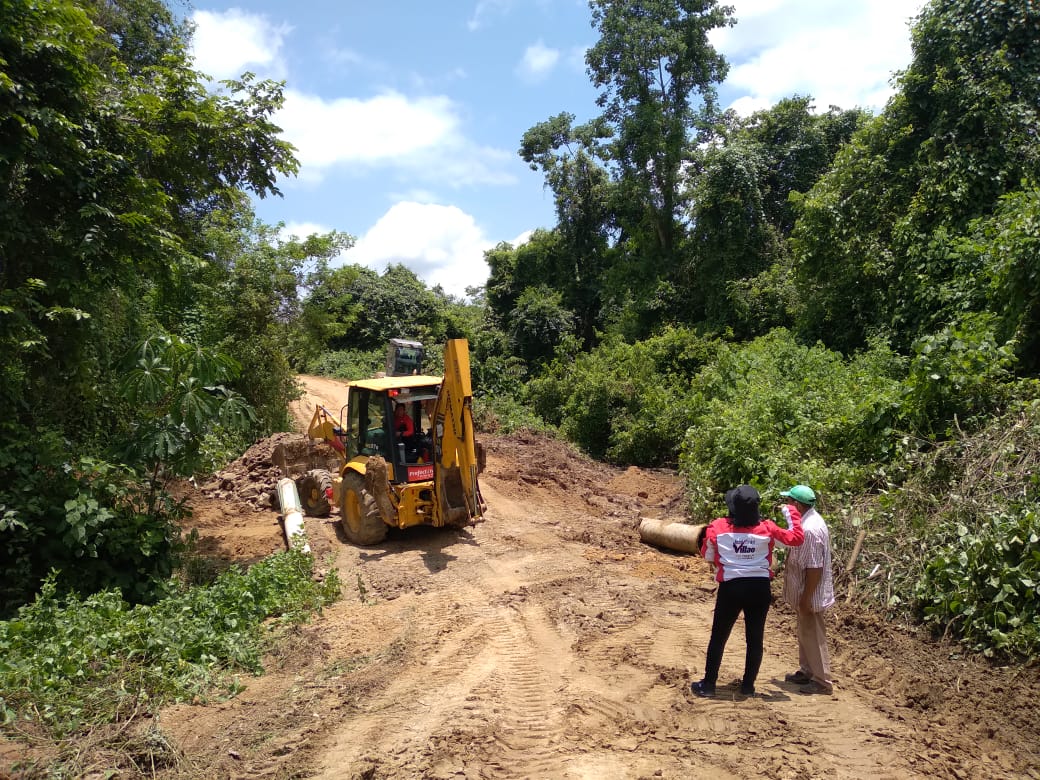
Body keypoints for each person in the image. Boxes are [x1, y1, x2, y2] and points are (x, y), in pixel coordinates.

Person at [692, 484, 805, 698]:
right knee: (755, 639)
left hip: (731, 588)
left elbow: (707, 554)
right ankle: (748, 687)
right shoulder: (768, 528)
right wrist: (791, 512)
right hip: (759, 588)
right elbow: (796, 539)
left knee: (719, 637)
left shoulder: (717, 527)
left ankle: (708, 685)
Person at [779, 484, 835, 695]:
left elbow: (814, 568)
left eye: (789, 501)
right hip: (804, 591)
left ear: (797, 505)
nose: (786, 505)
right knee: (805, 631)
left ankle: (822, 681)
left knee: (812, 633)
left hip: (810, 593)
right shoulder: (806, 522)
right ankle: (807, 671)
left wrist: (806, 598)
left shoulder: (810, 530)